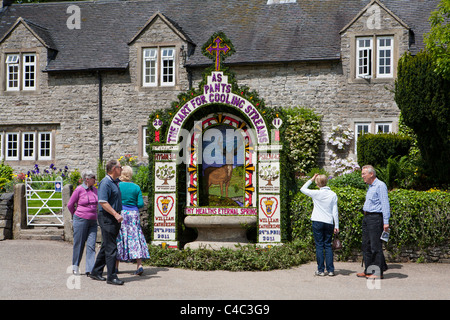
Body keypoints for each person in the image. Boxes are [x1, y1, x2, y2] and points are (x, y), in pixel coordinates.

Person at [89, 160, 124, 285]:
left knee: (106, 245)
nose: (122, 169)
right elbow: (103, 202)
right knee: (111, 247)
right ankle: (111, 276)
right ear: (114, 168)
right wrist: (115, 214)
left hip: (114, 217)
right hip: (107, 217)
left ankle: (96, 271)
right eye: (120, 167)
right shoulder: (105, 183)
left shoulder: (115, 182)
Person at [301, 173, 339, 276]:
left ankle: (321, 270)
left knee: (319, 246)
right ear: (326, 181)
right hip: (329, 222)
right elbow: (335, 211)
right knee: (328, 246)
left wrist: (311, 179)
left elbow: (302, 189)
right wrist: (337, 226)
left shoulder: (316, 193)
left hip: (317, 220)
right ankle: (330, 270)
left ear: (317, 183)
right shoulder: (333, 194)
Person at [116, 165, 150, 275]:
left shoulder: (117, 186)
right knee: (135, 237)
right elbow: (140, 204)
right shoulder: (136, 187)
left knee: (120, 237)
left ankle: (116, 266)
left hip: (121, 213)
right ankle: (139, 265)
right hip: (134, 214)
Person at [357, 165, 390, 280]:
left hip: (375, 218)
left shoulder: (380, 185)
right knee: (366, 245)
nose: (362, 176)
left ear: (371, 174)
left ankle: (378, 272)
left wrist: (386, 222)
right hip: (367, 217)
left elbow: (385, 204)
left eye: (363, 174)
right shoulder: (370, 186)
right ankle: (368, 270)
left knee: (375, 246)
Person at [67, 169, 98, 276]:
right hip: (80, 220)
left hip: (93, 221)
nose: (95, 180)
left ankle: (90, 269)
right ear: (87, 179)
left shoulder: (95, 190)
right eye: (94, 178)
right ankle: (75, 266)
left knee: (91, 245)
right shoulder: (79, 190)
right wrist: (75, 215)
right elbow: (70, 205)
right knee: (79, 244)